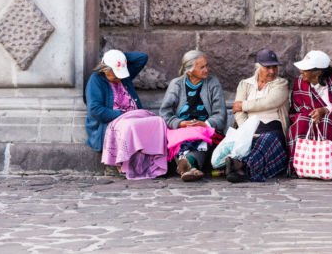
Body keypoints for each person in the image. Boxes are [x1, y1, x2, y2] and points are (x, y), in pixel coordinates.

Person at [85, 49, 168, 179]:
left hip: (134, 115)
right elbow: (95, 110)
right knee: (130, 126)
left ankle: (151, 164)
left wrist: (119, 59)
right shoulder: (96, 80)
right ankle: (124, 165)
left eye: (120, 74)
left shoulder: (124, 76)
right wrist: (119, 114)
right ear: (105, 69)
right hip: (114, 120)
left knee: (158, 122)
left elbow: (142, 57)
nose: (119, 78)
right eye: (115, 74)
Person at [159, 50, 227, 182]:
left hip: (205, 129)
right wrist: (179, 123)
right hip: (181, 129)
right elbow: (165, 113)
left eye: (207, 65)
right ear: (189, 70)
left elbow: (220, 114)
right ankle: (190, 167)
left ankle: (187, 164)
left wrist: (205, 124)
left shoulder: (213, 83)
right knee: (181, 139)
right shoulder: (176, 84)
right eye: (202, 67)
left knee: (199, 138)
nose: (206, 70)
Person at [227, 49, 290, 183]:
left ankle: (242, 166)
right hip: (250, 127)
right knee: (250, 141)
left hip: (273, 127)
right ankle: (241, 167)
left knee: (266, 140)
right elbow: (238, 112)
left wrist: (243, 105)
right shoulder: (245, 84)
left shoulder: (281, 84)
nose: (272, 71)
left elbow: (270, 102)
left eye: (274, 67)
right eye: (267, 67)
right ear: (258, 67)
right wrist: (246, 130)